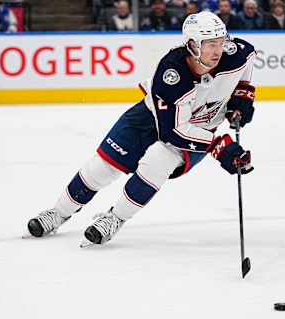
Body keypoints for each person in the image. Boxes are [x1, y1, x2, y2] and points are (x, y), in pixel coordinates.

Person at [26, 11, 257, 246]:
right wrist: (217, 146)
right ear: (192, 45)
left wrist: (244, 93)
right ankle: (58, 213)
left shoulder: (234, 53)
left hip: (199, 128)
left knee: (158, 161)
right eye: (210, 44)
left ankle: (115, 218)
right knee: (102, 167)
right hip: (154, 118)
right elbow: (172, 131)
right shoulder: (171, 72)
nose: (218, 51)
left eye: (220, 42)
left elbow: (249, 57)